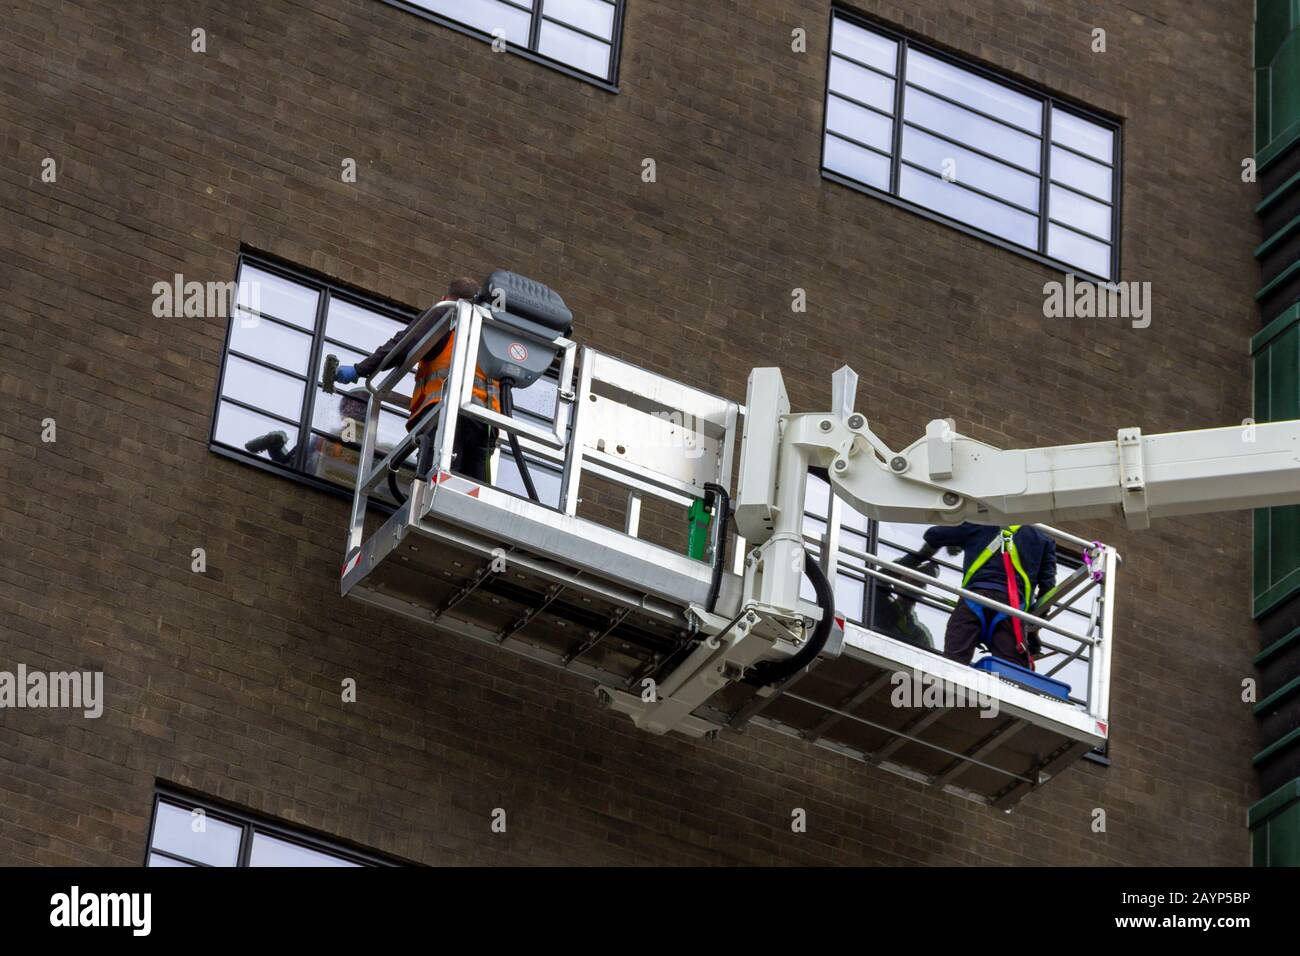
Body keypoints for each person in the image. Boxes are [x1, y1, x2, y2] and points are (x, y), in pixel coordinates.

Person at [327, 276, 499, 482]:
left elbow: (400, 347)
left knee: (434, 485)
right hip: (485, 424)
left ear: (445, 297)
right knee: (472, 494)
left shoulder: (447, 313)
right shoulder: (489, 332)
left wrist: (359, 370)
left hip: (446, 417)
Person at [909, 523, 1056, 669]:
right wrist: (1034, 625)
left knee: (953, 664)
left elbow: (933, 535)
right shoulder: (1043, 539)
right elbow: (1048, 589)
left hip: (974, 600)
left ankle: (946, 690)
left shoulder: (980, 524)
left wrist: (964, 523)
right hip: (1011, 611)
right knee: (1010, 676)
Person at [873, 556, 940, 650]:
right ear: (897, 581)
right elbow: (876, 579)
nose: (918, 586)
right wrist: (919, 556)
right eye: (914, 580)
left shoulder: (919, 635)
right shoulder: (880, 605)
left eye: (922, 583)